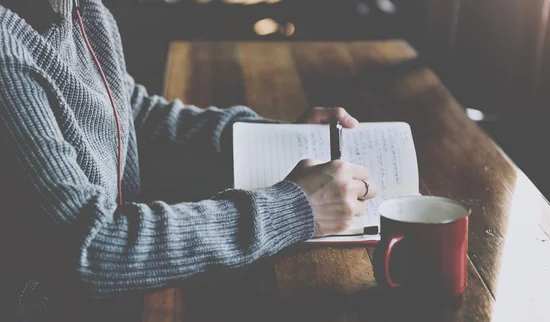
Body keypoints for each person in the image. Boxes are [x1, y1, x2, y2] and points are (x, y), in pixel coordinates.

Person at [0, 1, 377, 321]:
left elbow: (132, 112)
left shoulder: (81, 8)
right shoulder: (7, 53)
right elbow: (93, 246)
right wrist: (295, 209)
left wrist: (270, 137)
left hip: (128, 285)